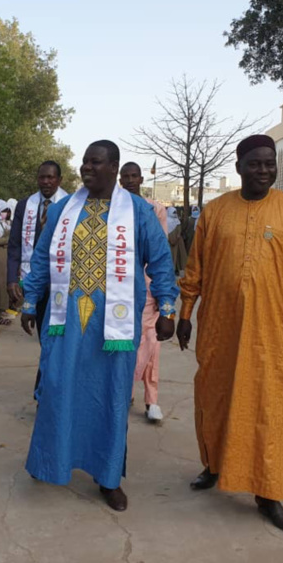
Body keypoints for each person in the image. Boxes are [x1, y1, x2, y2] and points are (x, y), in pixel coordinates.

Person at [176, 134, 283, 534]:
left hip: (271, 329)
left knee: (269, 406)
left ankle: (269, 494)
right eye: (255, 164)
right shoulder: (215, 211)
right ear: (239, 166)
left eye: (269, 164)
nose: (264, 170)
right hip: (219, 326)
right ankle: (213, 465)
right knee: (215, 393)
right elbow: (196, 270)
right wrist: (185, 312)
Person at [21, 140, 178, 511]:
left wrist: (168, 308)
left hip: (115, 329)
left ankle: (108, 478)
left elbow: (160, 260)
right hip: (65, 320)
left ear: (114, 167)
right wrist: (30, 299)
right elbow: (42, 256)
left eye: (95, 162)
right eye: (84, 161)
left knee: (109, 396)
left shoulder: (138, 211)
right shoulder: (63, 210)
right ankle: (51, 461)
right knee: (58, 387)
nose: (86, 168)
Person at [7, 161, 67, 393]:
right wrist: (12, 278)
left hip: (62, 282)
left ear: (59, 180)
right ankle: (47, 385)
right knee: (45, 336)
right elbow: (14, 246)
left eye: (51, 178)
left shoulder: (70, 204)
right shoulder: (26, 206)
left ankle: (46, 387)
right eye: (42, 177)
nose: (46, 182)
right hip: (35, 281)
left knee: (58, 339)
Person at [119, 161, 168, 423]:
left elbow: (160, 253)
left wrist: (162, 289)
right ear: (119, 180)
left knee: (151, 342)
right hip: (118, 285)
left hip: (147, 285)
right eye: (125, 176)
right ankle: (124, 391)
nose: (129, 180)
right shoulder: (112, 209)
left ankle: (152, 400)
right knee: (122, 341)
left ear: (140, 179)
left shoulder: (154, 209)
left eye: (134, 176)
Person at [166, 206, 188, 276]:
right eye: (173, 212)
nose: (174, 214)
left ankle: (178, 269)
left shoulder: (177, 221)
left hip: (178, 242)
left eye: (175, 212)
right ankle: (172, 270)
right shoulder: (166, 221)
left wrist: (177, 238)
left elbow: (179, 230)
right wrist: (170, 240)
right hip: (169, 242)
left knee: (179, 256)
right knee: (171, 256)